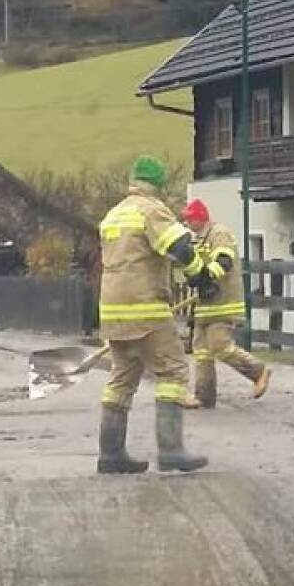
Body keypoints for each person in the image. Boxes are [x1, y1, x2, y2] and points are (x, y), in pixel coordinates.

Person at [96, 155, 212, 475]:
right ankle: (171, 449)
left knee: (121, 378)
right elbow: (180, 247)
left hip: (112, 310)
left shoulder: (113, 214)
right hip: (145, 306)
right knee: (172, 371)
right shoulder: (151, 210)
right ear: (157, 185)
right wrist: (200, 276)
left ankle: (111, 453)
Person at [181, 198, 271, 406]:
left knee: (219, 345)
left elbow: (225, 260)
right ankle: (204, 397)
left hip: (224, 302)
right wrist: (194, 276)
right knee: (202, 352)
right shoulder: (197, 239)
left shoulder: (219, 234)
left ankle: (258, 371)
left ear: (199, 218)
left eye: (189, 219)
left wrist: (206, 276)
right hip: (205, 305)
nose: (187, 224)